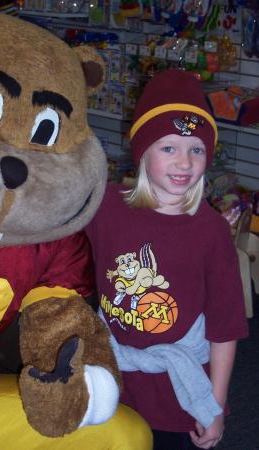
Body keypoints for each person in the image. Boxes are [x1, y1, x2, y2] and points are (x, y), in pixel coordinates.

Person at [86, 68, 249, 450]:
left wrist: (216, 406)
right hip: (113, 373)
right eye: (168, 148)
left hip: (178, 386)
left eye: (196, 149)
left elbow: (225, 329)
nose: (184, 162)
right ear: (143, 150)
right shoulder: (105, 207)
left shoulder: (210, 231)